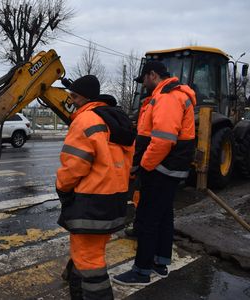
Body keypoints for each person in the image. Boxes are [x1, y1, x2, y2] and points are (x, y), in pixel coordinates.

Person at [112, 61, 196, 286]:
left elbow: (163, 141)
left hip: (160, 168)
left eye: (145, 79)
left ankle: (141, 271)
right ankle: (160, 263)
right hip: (168, 168)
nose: (144, 84)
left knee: (148, 218)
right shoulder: (170, 95)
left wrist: (144, 165)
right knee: (164, 215)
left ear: (152, 75)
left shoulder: (167, 97)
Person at [56, 75, 135, 299]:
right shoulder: (118, 120)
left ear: (85, 97)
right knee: (92, 254)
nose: (71, 100)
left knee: (90, 263)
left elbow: (73, 167)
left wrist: (62, 189)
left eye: (74, 96)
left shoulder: (85, 120)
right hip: (114, 199)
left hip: (90, 201)